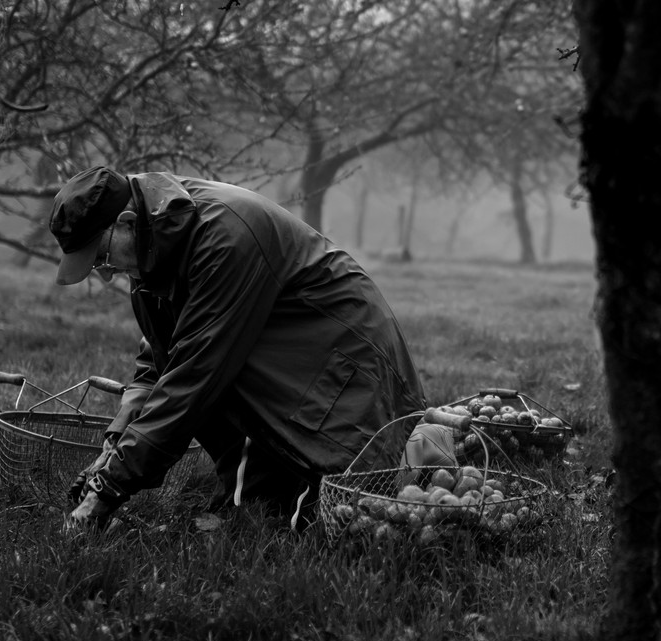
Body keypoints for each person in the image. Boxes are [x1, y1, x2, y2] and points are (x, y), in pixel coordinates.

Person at [48, 166, 427, 531]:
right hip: (280, 350)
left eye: (102, 256)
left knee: (343, 520)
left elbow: (192, 377)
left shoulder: (223, 238)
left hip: (341, 353)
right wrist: (112, 448)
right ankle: (261, 498)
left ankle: (407, 461)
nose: (105, 271)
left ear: (127, 221)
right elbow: (159, 362)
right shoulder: (150, 249)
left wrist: (107, 490)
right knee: (258, 517)